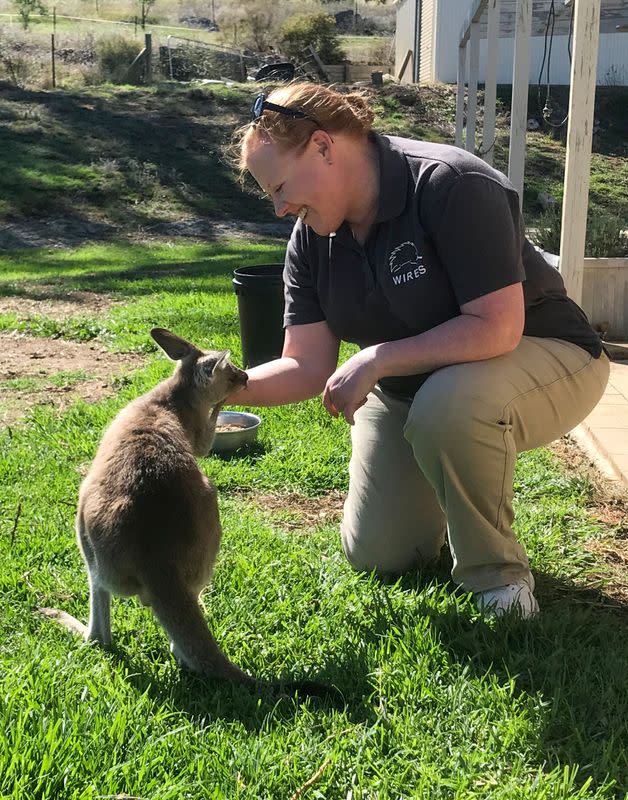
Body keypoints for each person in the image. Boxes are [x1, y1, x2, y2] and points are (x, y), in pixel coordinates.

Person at [227, 82, 609, 618]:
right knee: (381, 555)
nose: (278, 207)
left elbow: (497, 327)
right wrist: (209, 394)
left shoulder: (450, 183)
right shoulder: (312, 238)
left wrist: (377, 358)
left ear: (323, 146)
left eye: (281, 186)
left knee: (451, 407)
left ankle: (498, 583)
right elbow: (306, 364)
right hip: (417, 385)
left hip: (548, 354)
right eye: (270, 193)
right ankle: (451, 486)